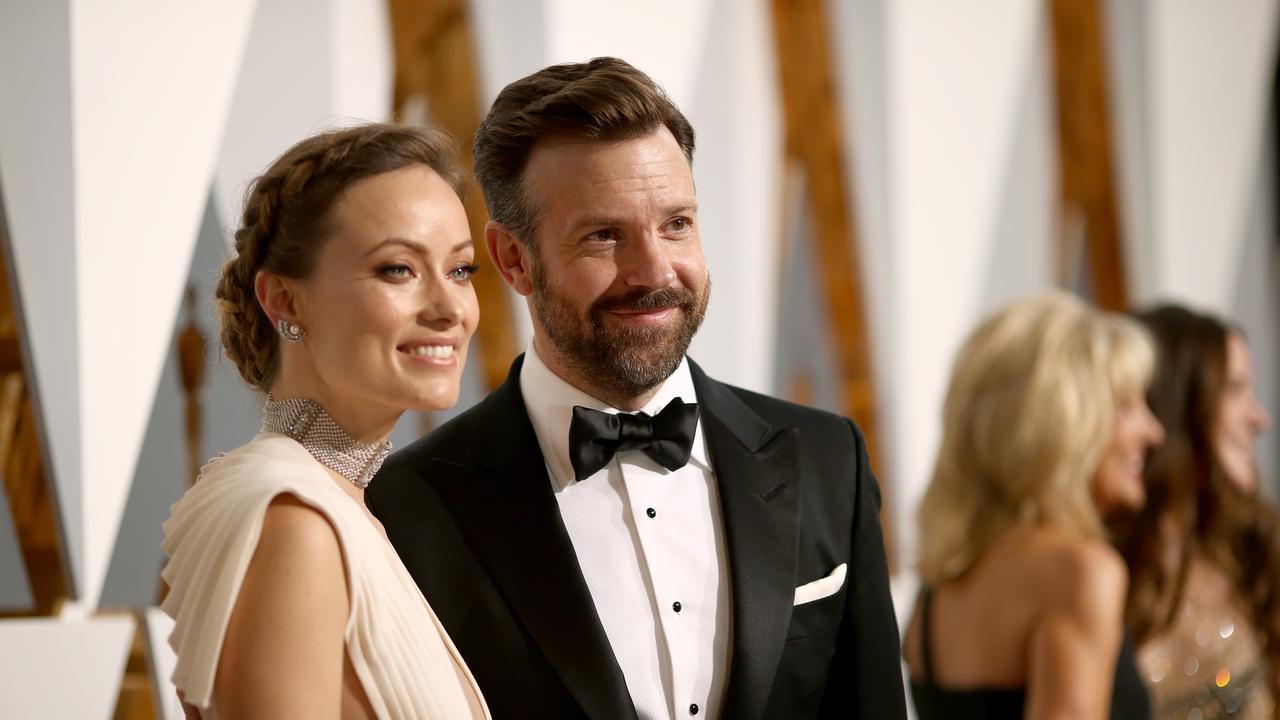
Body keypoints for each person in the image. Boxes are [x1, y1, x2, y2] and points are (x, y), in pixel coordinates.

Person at [366, 57, 906, 719]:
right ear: (512, 259)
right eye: (603, 236)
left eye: (676, 224)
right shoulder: (407, 508)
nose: (654, 270)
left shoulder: (829, 459)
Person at [161, 123, 490, 719]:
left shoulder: (335, 505)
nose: (449, 309)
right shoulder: (295, 519)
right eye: (398, 269)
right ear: (284, 301)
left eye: (461, 270)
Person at [903, 292, 1163, 719]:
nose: (1153, 431)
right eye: (1128, 406)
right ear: (1064, 420)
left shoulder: (937, 590)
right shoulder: (1080, 574)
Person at [1111, 304, 1278, 719]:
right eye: (1236, 390)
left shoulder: (1250, 546)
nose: (1261, 419)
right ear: (1179, 407)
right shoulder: (1102, 577)